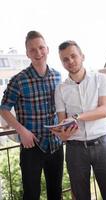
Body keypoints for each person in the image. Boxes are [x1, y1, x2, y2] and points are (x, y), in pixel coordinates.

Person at [0, 31, 64, 200]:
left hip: (55, 144)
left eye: (41, 48)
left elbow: (62, 107)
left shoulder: (58, 76)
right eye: (33, 50)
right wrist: (22, 131)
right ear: (27, 53)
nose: (38, 53)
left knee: (55, 193)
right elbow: (4, 109)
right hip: (31, 147)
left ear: (48, 49)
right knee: (31, 194)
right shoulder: (18, 80)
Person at [52, 40, 106, 200]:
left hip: (103, 146)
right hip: (75, 150)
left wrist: (77, 117)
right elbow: (62, 122)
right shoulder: (60, 89)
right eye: (65, 59)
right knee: (81, 197)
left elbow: (105, 109)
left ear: (82, 56)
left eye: (73, 56)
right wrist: (62, 134)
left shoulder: (100, 79)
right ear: (62, 63)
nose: (70, 61)